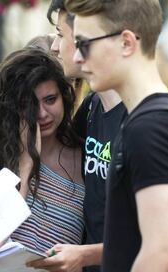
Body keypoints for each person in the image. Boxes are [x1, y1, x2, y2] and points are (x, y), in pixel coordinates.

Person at [66, 0, 168, 271]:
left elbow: (162, 252)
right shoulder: (156, 119)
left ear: (127, 43)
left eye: (84, 44)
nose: (77, 58)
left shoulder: (151, 130)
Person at [28, 1, 126, 271]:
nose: (56, 47)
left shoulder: (142, 123)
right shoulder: (93, 108)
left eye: (61, 34)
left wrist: (85, 255)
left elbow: (161, 240)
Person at [0, 48, 85, 253]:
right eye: (29, 104)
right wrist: (25, 167)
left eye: (50, 100)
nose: (42, 113)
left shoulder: (85, 159)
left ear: (65, 98)